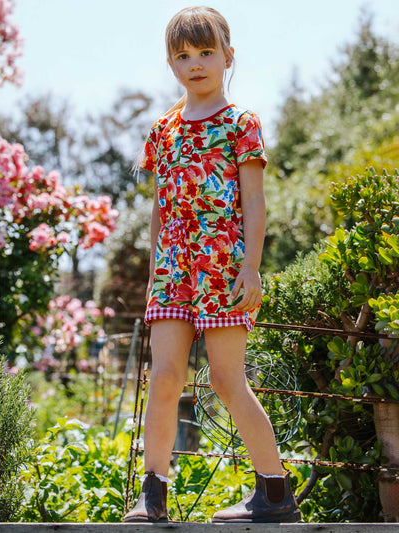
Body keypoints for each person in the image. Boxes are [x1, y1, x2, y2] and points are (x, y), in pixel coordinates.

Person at [123, 6, 301, 524]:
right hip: (174, 271)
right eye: (183, 55)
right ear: (171, 64)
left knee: (226, 379)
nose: (195, 63)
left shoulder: (241, 124)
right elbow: (160, 206)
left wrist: (252, 267)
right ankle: (152, 493)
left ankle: (274, 493)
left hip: (224, 269)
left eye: (206, 52)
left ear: (227, 55)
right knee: (165, 376)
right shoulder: (163, 130)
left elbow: (254, 201)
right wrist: (157, 268)